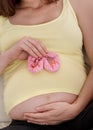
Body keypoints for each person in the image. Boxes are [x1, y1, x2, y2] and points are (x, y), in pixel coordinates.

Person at [0, 0, 93, 129]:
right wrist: (10, 55)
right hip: (28, 124)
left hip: (83, 112)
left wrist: (76, 108)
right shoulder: (2, 15)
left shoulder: (78, 3)